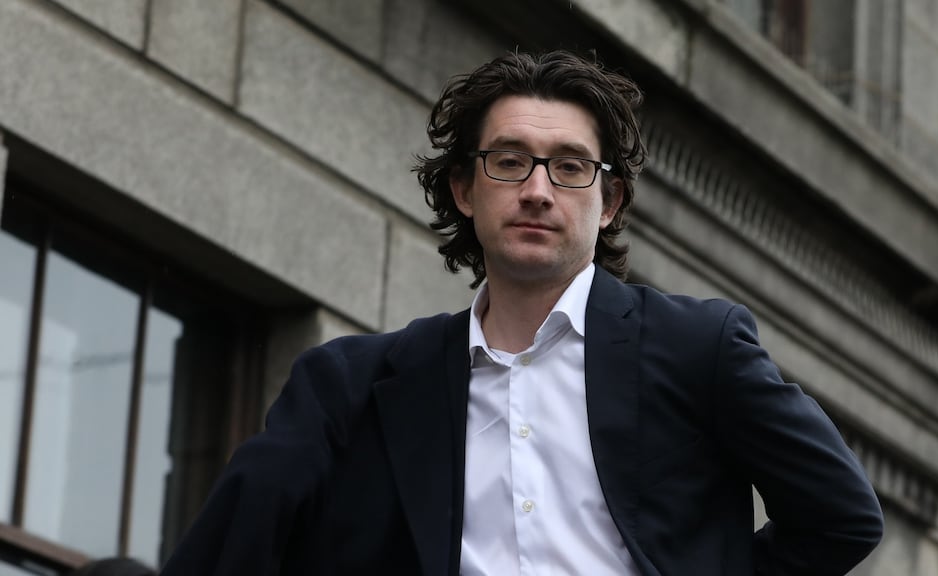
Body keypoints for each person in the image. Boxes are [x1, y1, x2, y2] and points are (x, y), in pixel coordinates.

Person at [161, 50, 883, 575]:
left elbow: (841, 516)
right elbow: (230, 545)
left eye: (570, 167)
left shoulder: (699, 348)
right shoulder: (351, 385)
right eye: (509, 161)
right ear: (465, 191)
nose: (539, 189)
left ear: (610, 204)